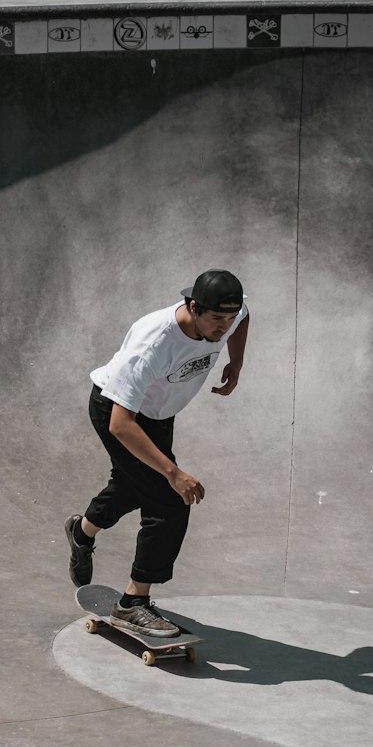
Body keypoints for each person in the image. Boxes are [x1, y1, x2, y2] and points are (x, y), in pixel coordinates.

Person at [65, 268, 250, 636]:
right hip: (118, 413)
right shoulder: (154, 343)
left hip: (158, 414)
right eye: (216, 320)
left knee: (133, 485)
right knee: (168, 500)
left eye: (229, 319)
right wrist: (173, 473)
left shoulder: (229, 315)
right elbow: (121, 424)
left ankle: (82, 533)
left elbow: (245, 315)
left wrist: (237, 360)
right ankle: (132, 604)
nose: (224, 327)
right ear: (193, 307)